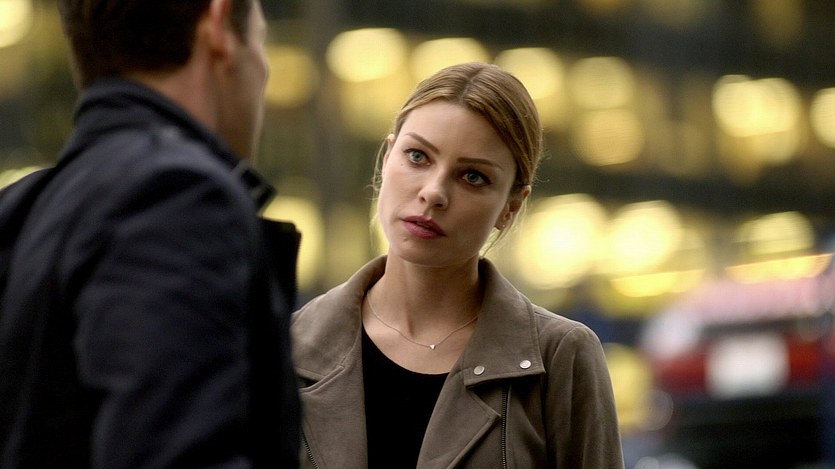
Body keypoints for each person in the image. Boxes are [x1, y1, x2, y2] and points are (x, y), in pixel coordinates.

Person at [0, 0, 301, 467]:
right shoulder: (175, 194)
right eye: (262, 42)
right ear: (218, 25)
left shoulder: (25, 206)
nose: (262, 71)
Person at [292, 62, 624, 468]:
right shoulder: (290, 347)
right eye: (417, 156)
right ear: (387, 156)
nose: (433, 192)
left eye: (472, 176)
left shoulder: (559, 358)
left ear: (510, 207)